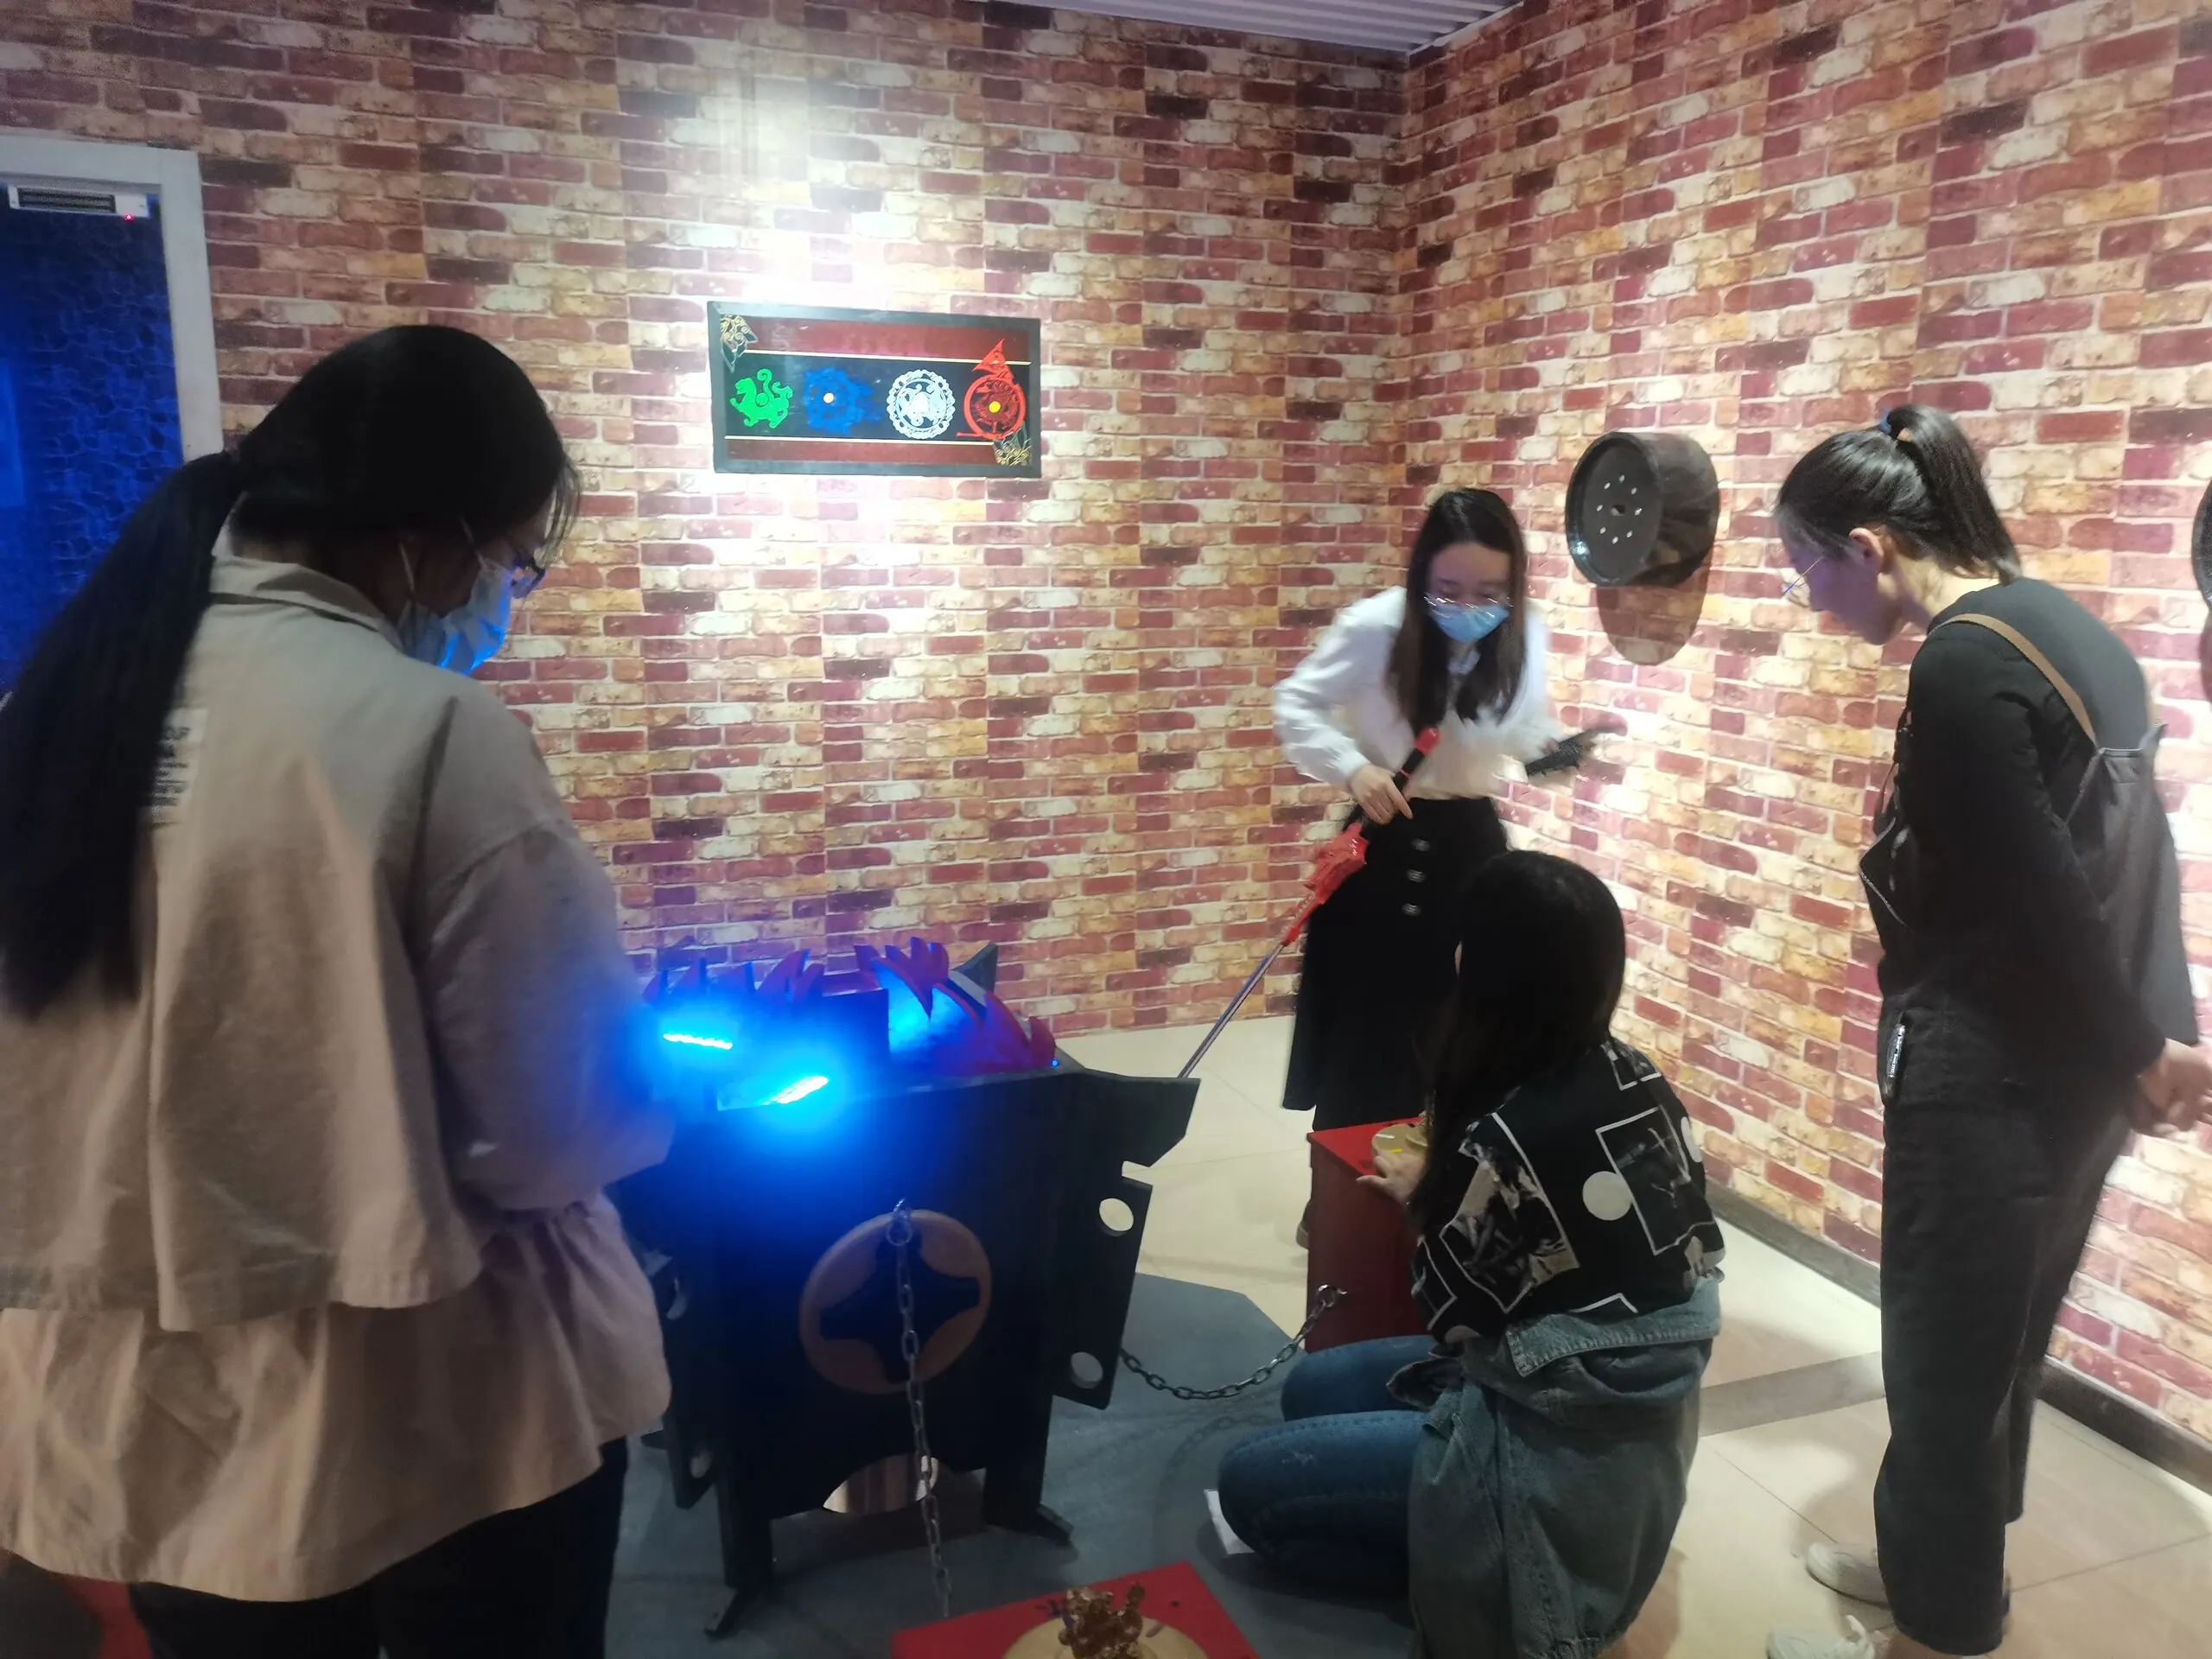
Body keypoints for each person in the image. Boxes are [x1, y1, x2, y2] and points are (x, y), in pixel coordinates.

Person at [0, 326, 673, 1659]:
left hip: (142, 1420)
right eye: (515, 560)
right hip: (435, 1412)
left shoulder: (49, 712)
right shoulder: (429, 732)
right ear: (432, 539)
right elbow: (553, 1133)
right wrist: (654, 1103)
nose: (503, 598)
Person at [1764, 405, 2212, 1659]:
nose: (1807, 598)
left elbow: (2047, 893)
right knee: (1996, 1348)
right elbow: (2138, 857)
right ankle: (1936, 1572)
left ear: (1867, 547)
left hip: (1988, 1076)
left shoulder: (1960, 664)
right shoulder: (2068, 626)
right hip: (2070, 1081)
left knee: (1943, 1360)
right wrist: (2152, 1036)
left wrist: (2144, 1049)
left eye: (1804, 567)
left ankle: (1942, 1628)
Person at [1217, 851, 1725, 1658]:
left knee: (1250, 1486)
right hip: (1609, 1400)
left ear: (1483, 971)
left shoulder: (1502, 1135)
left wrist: (1429, 1197)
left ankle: (1464, 1562)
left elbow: (1448, 1316)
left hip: (1538, 1430)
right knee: (1314, 1388)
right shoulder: (1634, 1072)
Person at [1274, 489, 1560, 1141]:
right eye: (1449, 589)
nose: (1469, 607)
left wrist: (1553, 749)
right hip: (1389, 838)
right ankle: (1349, 1181)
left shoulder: (1525, 630)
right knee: (1376, 1034)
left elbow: (1516, 726)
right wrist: (1353, 767)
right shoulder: (1375, 627)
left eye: (1490, 592)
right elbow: (1296, 703)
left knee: (1469, 1030)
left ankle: (1451, 1184)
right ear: (1422, 573)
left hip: (1474, 845)